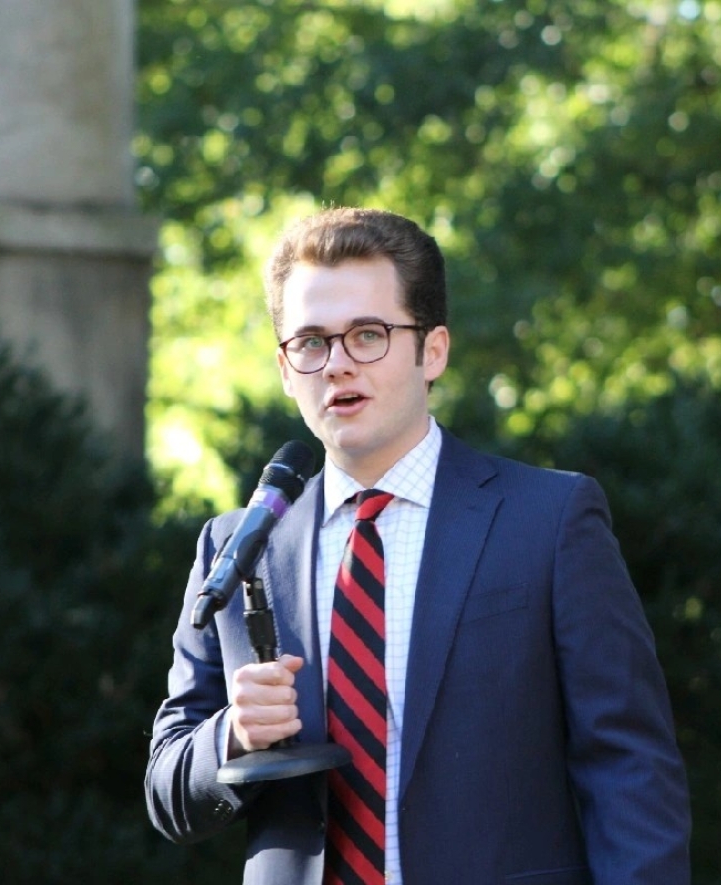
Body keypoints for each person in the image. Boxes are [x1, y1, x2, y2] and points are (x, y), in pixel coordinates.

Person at [145, 207, 691, 884]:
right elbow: (167, 791)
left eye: (367, 334)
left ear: (432, 350)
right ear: (286, 369)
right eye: (311, 342)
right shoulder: (237, 548)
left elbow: (630, 766)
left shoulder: (549, 521)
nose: (337, 363)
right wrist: (232, 733)